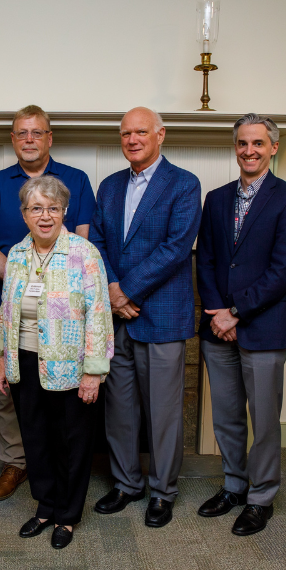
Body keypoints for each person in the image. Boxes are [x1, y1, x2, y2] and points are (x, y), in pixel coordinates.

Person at [0, 105, 97, 501]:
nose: (29, 139)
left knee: (60, 398)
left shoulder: (76, 180)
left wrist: (49, 283)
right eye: (22, 133)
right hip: (6, 305)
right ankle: (15, 463)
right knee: (13, 391)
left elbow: (83, 242)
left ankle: (57, 469)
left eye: (37, 132)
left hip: (65, 312)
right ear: (13, 139)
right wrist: (23, 279)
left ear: (49, 138)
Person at [195, 114, 286, 536]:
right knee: (225, 417)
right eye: (243, 143)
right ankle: (233, 486)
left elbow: (283, 271)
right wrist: (217, 312)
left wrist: (236, 312)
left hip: (262, 327)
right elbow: (204, 259)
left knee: (264, 421)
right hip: (217, 327)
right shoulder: (217, 198)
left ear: (273, 148)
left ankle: (261, 498)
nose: (249, 150)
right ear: (235, 147)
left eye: (258, 143)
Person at [90, 107, 202, 528]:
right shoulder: (110, 185)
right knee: (118, 409)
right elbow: (97, 241)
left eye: (141, 132)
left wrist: (125, 290)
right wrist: (114, 293)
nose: (132, 139)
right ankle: (126, 484)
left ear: (160, 136)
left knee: (164, 412)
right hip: (116, 318)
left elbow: (176, 248)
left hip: (162, 315)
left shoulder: (185, 184)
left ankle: (162, 492)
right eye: (126, 133)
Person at [0, 175, 113, 550]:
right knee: (36, 438)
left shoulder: (84, 253)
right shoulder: (16, 254)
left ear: (64, 211)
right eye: (36, 208)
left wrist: (94, 371)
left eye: (53, 208)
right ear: (24, 214)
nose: (44, 216)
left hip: (70, 366)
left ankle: (68, 516)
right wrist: (2, 359)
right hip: (24, 362)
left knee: (72, 443)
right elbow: (7, 312)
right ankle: (45, 507)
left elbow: (99, 313)